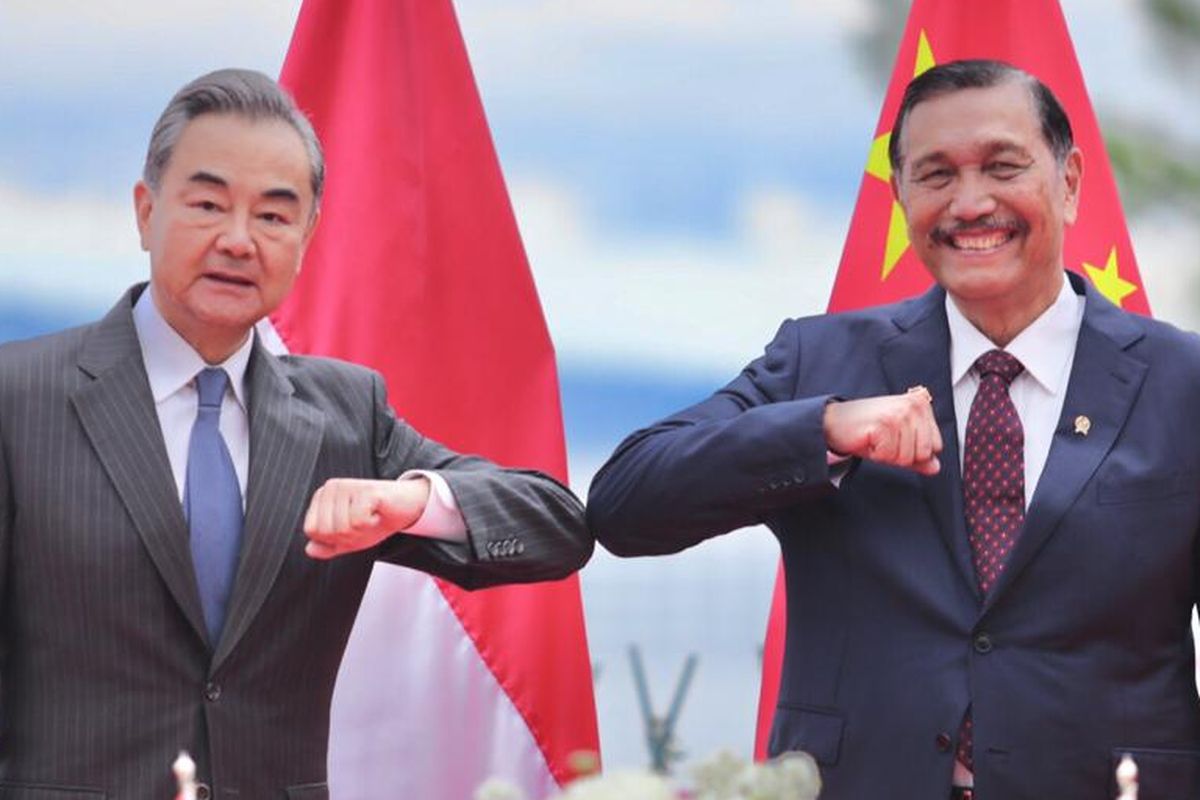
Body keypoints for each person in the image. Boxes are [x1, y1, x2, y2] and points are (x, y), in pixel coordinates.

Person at [587, 59, 1200, 798]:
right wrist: (822, 431)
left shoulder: (1180, 382)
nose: (970, 203)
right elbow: (623, 503)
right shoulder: (819, 360)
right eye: (936, 175)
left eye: (1003, 167)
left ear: (1068, 182)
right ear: (901, 193)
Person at [0, 68, 591, 799]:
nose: (240, 240)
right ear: (145, 211)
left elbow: (558, 525)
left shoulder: (345, 414)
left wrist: (410, 503)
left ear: (308, 237)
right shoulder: (17, 398)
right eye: (209, 204)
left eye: (275, 217)